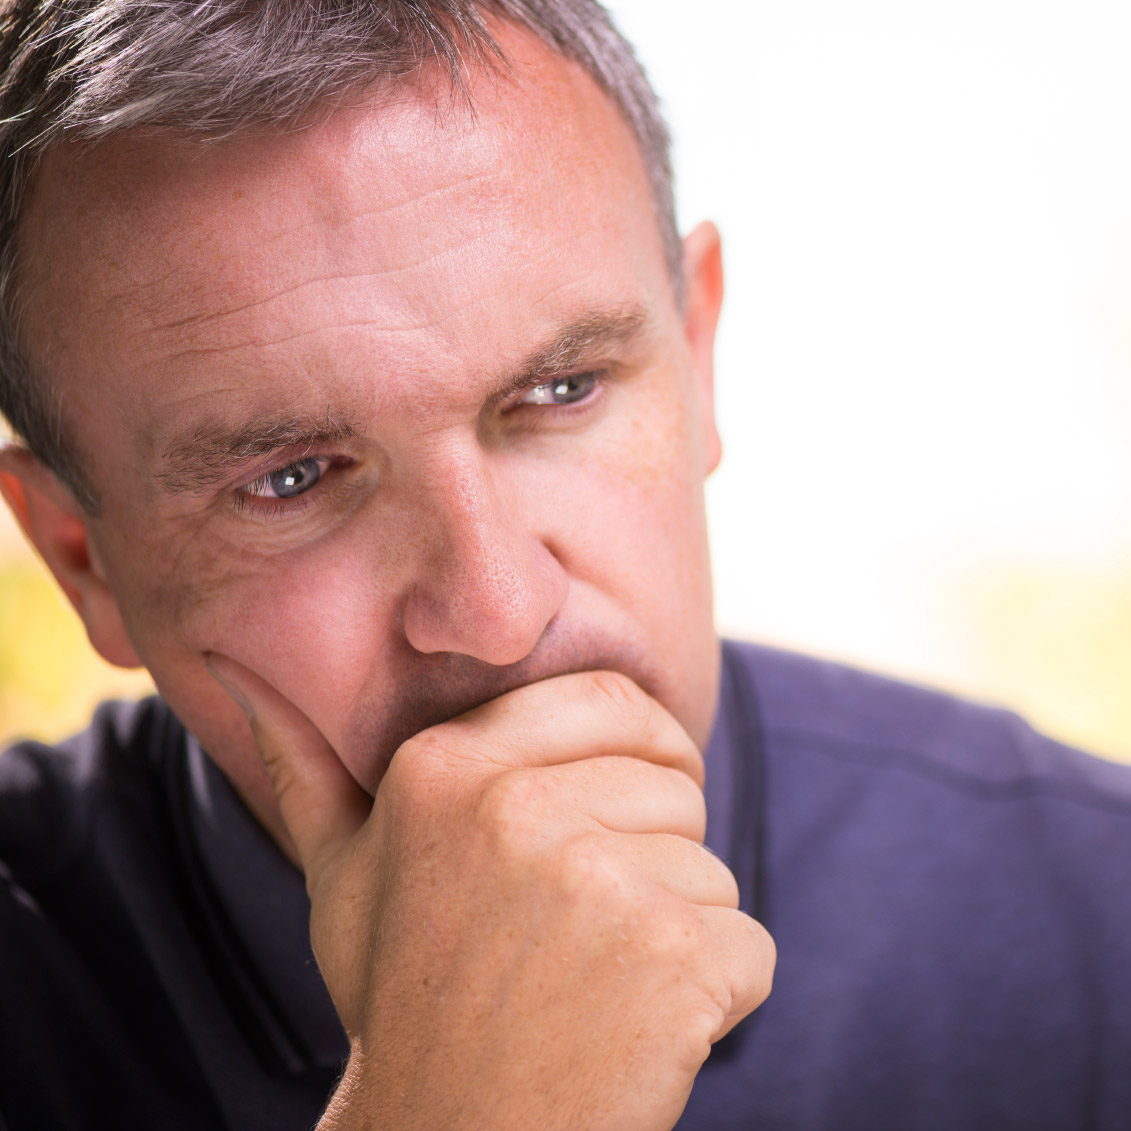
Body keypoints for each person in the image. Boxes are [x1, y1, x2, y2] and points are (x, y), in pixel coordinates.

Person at [0, 2, 1127, 1129]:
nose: (497, 612)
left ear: (696, 358)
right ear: (81, 558)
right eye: (291, 478)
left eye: (561, 392)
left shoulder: (1100, 922)